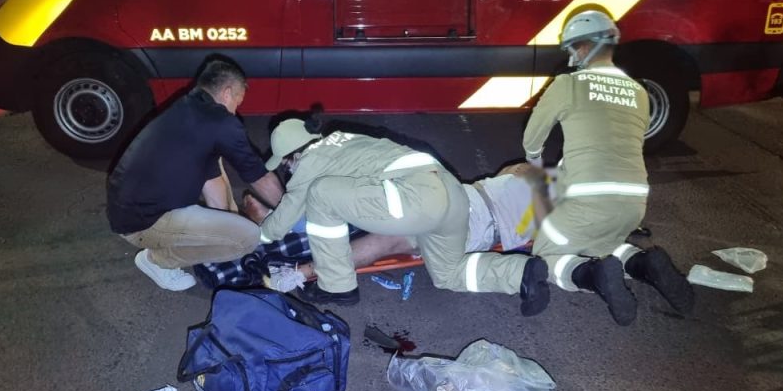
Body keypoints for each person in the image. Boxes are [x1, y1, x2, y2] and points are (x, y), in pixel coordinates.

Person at [258, 118, 551, 316]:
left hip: (441, 199)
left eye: (285, 164)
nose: (288, 170)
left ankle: (336, 286)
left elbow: (280, 222)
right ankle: (521, 274)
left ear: (290, 156)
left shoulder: (310, 161)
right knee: (448, 274)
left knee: (321, 194)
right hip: (451, 193)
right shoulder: (340, 140)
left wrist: (253, 237)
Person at [523, 9, 694, 325]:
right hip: (633, 204)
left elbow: (532, 139)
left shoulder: (567, 84)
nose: (573, 54)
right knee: (603, 242)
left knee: (545, 257)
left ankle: (594, 277)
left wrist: (537, 170)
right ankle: (646, 265)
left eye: (574, 47)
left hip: (587, 201)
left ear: (586, 47)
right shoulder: (639, 92)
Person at [197, 163, 550, 290]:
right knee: (367, 206)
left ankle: (300, 268)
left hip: (470, 221)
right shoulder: (537, 179)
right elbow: (508, 174)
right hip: (456, 195)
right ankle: (276, 223)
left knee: (391, 236)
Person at [107, 54, 284, 291]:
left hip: (126, 207)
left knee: (232, 222)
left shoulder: (188, 108)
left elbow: (213, 181)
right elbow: (259, 178)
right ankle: (158, 261)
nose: (235, 111)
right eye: (237, 103)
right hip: (143, 222)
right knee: (248, 238)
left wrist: (226, 226)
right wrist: (291, 215)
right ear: (227, 92)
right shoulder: (222, 122)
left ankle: (176, 242)